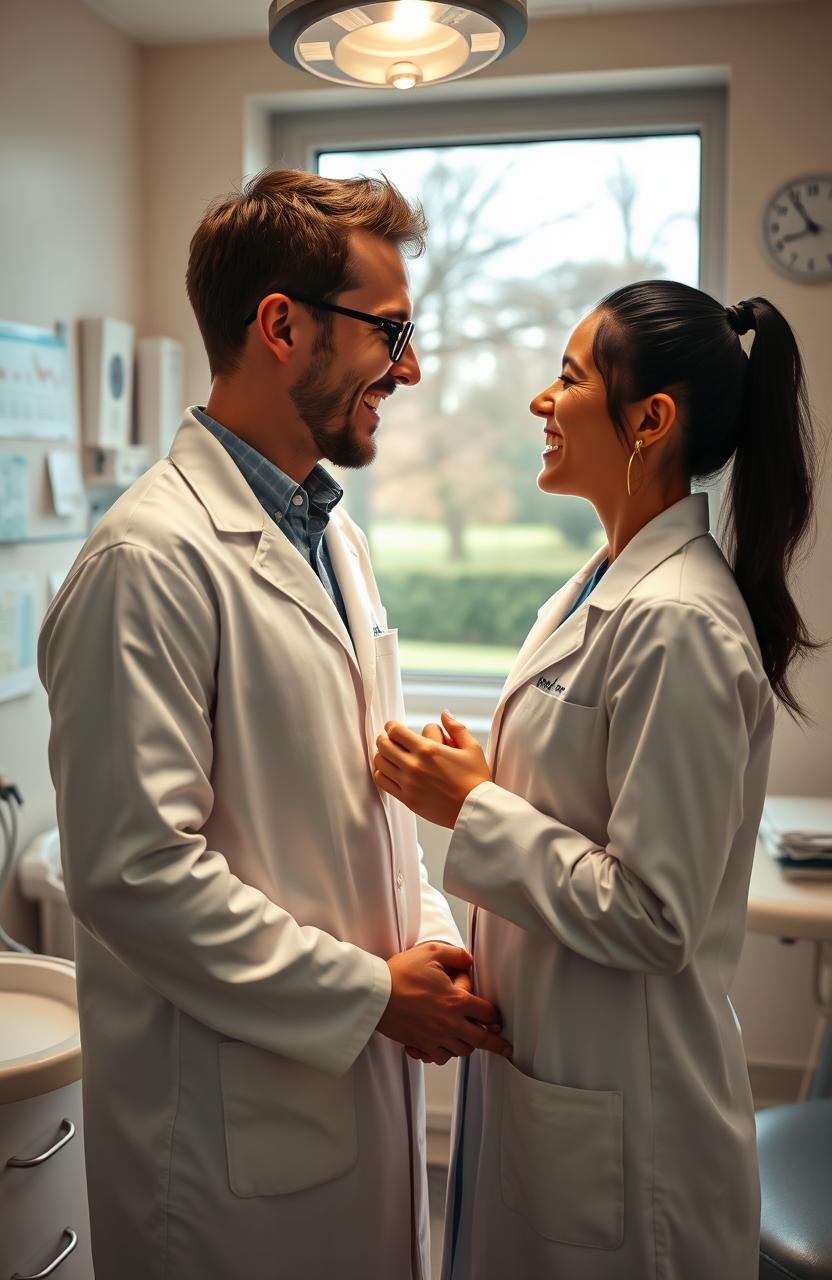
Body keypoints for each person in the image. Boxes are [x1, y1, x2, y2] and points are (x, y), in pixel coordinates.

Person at [38, 169, 512, 1280]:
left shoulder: (326, 537)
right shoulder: (146, 560)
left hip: (343, 1095)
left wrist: (430, 936)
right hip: (223, 1142)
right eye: (389, 331)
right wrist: (370, 993)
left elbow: (365, 804)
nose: (411, 367)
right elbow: (135, 872)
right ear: (282, 325)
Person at [373, 280, 818, 1280]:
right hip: (559, 1080)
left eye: (567, 378)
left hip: (630, 1125)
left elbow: (655, 913)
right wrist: (493, 785)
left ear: (649, 419)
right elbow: (593, 815)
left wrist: (470, 806)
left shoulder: (678, 623)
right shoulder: (596, 588)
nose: (540, 401)